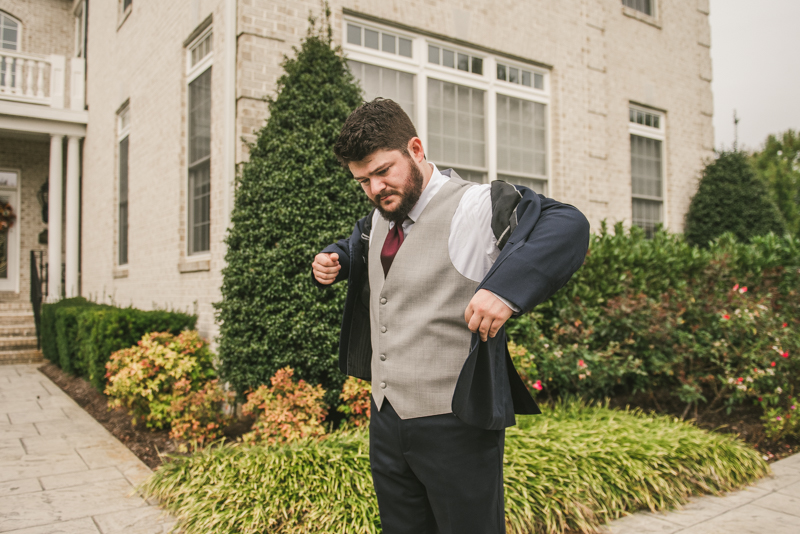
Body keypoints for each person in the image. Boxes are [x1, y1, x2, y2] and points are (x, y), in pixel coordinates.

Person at [312, 98, 589, 534]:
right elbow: (365, 246)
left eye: (383, 171)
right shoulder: (381, 216)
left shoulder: (477, 206)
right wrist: (337, 258)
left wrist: (504, 289)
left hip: (454, 420)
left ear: (416, 149)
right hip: (386, 419)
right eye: (363, 180)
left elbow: (567, 224)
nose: (375, 188)